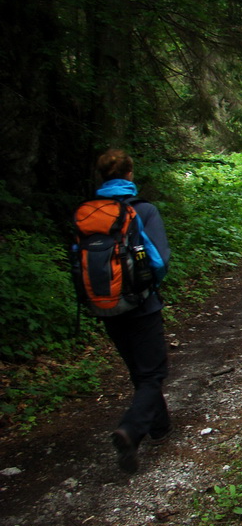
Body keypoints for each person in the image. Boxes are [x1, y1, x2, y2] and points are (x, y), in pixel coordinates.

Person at [94, 149, 173, 473]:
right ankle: (131, 430)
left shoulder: (90, 213)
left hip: (106, 306)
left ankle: (160, 426)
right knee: (153, 373)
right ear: (130, 175)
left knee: (138, 370)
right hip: (140, 303)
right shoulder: (143, 211)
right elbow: (160, 261)